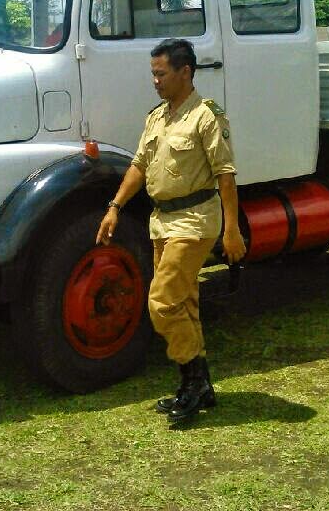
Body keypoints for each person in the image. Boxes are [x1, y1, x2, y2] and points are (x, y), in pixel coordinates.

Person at [96, 37, 246, 424]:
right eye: (153, 74)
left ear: (185, 72)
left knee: (161, 303)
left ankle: (193, 382)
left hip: (195, 221)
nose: (155, 81)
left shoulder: (206, 116)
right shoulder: (157, 117)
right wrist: (115, 207)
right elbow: (139, 166)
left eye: (161, 73)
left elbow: (225, 176)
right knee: (183, 304)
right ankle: (198, 385)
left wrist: (232, 232)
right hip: (162, 221)